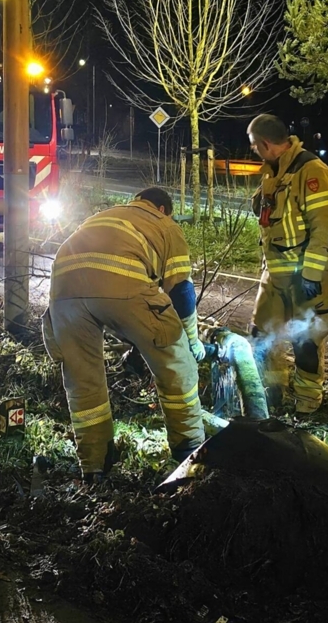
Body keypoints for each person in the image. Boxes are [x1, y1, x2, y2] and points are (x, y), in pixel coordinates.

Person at [41, 187, 206, 482]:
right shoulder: (164, 224)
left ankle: (94, 467)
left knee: (83, 383)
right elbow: (181, 291)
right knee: (177, 366)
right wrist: (191, 341)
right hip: (122, 286)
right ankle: (190, 456)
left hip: (63, 290)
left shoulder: (106, 216)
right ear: (163, 209)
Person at [247, 114, 328, 414]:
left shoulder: (310, 170)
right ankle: (271, 394)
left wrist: (312, 273)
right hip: (275, 273)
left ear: (265, 143)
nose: (254, 151)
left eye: (254, 146)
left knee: (305, 342)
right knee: (262, 335)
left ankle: (307, 406)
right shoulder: (273, 171)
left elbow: (323, 227)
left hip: (304, 276)